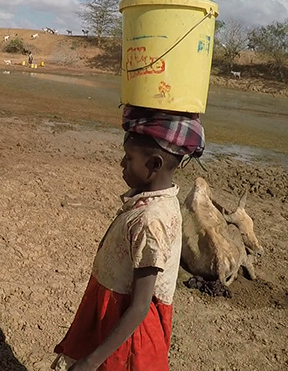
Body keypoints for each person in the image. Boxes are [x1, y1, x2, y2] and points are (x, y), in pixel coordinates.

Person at [51, 105, 205, 371]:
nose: (122, 163)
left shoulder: (150, 220)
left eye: (128, 157)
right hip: (113, 313)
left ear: (155, 164)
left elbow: (141, 305)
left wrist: (91, 360)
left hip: (130, 331)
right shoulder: (154, 200)